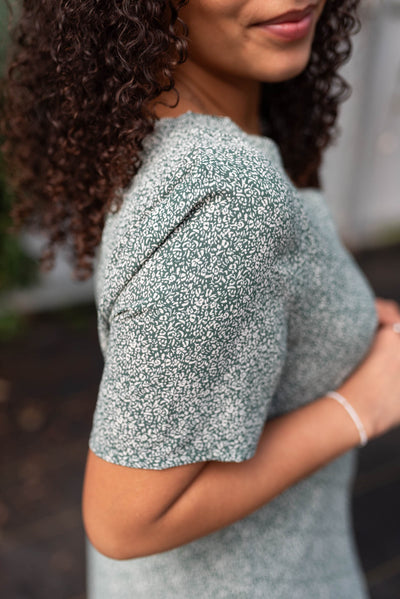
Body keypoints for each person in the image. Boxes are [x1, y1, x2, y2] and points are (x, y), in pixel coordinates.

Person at [2, 1, 400, 598]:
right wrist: (360, 407)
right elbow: (125, 519)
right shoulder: (229, 194)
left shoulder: (160, 126)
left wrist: (341, 319)